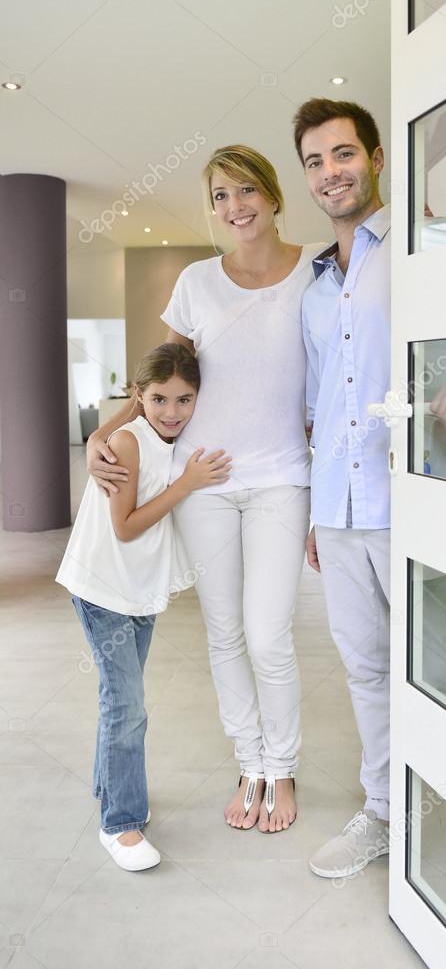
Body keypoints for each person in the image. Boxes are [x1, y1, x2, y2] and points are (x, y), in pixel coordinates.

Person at [293, 100, 446, 919]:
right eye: (315, 160)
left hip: (417, 498)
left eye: (343, 153)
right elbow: (319, 403)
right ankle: (386, 810)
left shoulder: (422, 241)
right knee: (366, 670)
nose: (331, 171)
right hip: (340, 506)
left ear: (373, 158)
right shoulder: (316, 283)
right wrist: (314, 514)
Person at [87, 145, 325, 833]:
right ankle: (248, 762)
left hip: (282, 476)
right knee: (223, 632)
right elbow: (167, 374)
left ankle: (282, 767)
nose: (234, 206)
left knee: (267, 632)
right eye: (220, 196)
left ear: (274, 195)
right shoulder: (195, 281)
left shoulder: (315, 267)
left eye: (246, 190)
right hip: (206, 481)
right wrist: (112, 426)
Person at [57, 344, 230, 871]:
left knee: (120, 699)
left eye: (184, 399)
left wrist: (96, 434)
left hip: (138, 589)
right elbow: (125, 526)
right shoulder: (131, 443)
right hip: (103, 587)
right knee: (126, 704)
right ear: (139, 396)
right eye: (159, 399)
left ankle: (107, 784)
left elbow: (118, 428)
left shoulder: (156, 434)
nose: (172, 411)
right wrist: (188, 484)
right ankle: (121, 822)